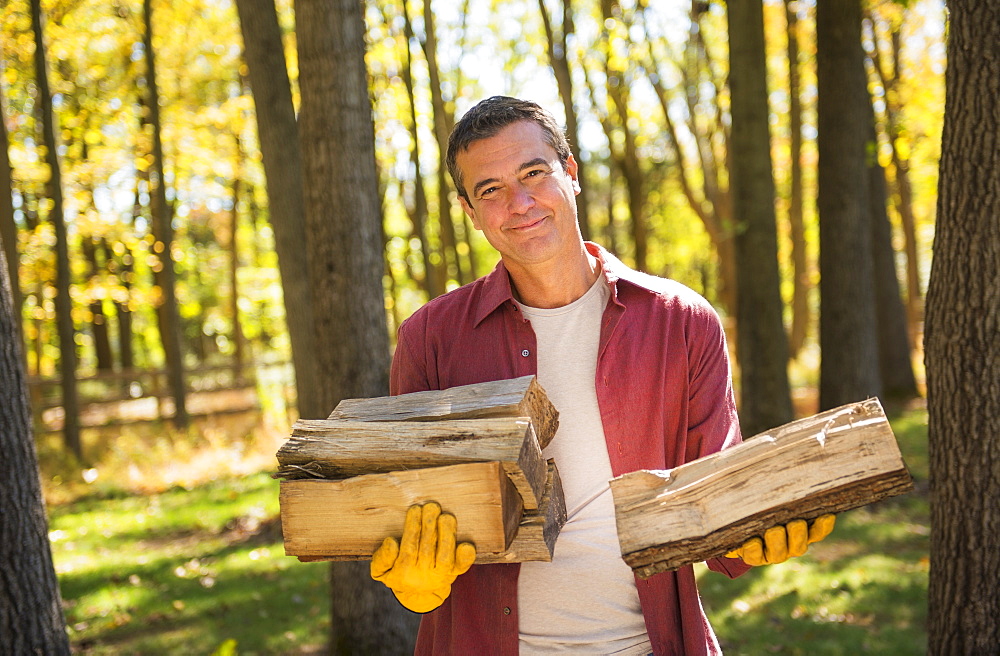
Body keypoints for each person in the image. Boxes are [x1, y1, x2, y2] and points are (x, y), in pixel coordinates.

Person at [369, 96, 834, 655]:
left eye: (533, 173)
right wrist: (416, 587)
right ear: (469, 211)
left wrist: (762, 533)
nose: (519, 203)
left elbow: (719, 518)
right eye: (489, 189)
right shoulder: (430, 338)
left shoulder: (682, 322)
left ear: (570, 173)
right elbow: (412, 527)